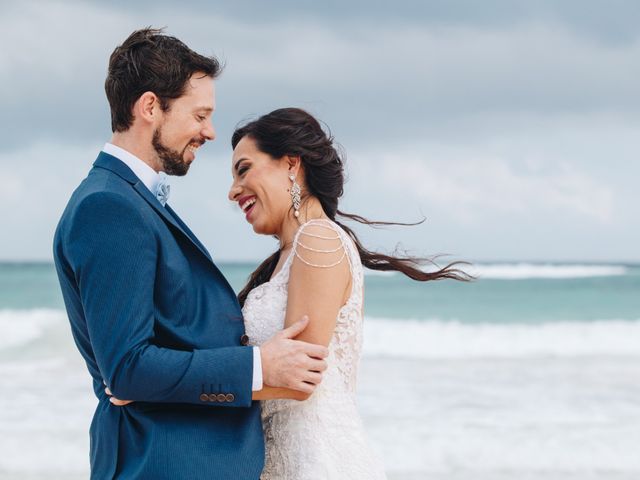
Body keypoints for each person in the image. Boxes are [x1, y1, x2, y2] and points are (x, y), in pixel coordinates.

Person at [52, 29, 328, 480]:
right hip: (163, 464)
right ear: (149, 108)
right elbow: (127, 367)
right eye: (199, 114)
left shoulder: (131, 200)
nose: (209, 131)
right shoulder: (109, 206)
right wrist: (258, 366)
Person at [227, 107, 470, 478]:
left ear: (291, 164)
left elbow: (298, 379)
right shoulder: (286, 258)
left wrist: (173, 393)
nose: (233, 191)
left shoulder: (319, 239)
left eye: (243, 169)